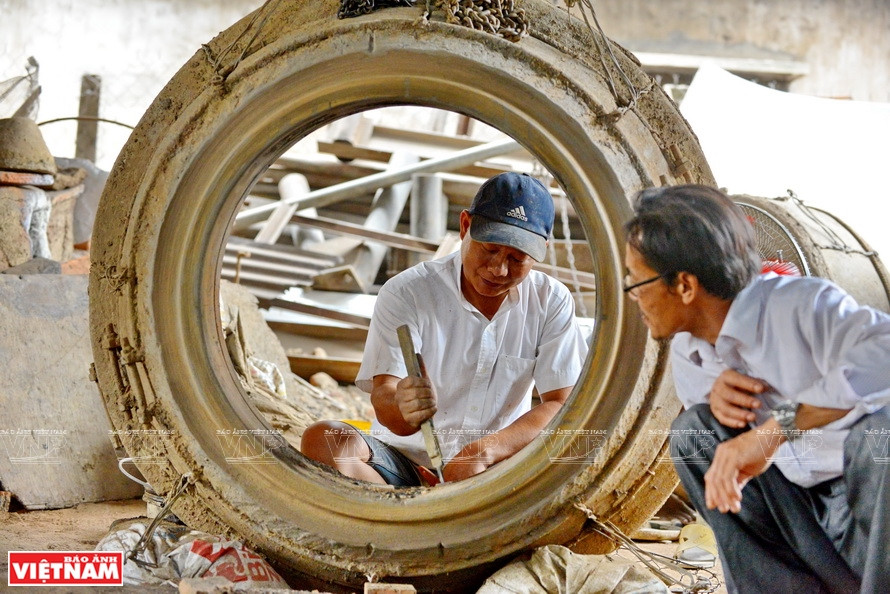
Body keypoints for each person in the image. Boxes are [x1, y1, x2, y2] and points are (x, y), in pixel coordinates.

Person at [623, 184, 890, 593]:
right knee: (695, 433)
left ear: (685, 286)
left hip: (870, 524)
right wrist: (717, 403)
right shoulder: (689, 351)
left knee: (878, 433)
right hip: (807, 526)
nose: (634, 297)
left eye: (636, 281)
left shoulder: (802, 306)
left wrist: (775, 429)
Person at [301, 172, 589, 486]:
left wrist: (481, 453)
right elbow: (384, 397)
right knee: (324, 439)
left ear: (540, 250)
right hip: (404, 466)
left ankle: (405, 523)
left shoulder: (551, 301)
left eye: (517, 258)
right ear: (466, 226)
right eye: (490, 249)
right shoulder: (407, 292)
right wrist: (403, 405)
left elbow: (562, 404)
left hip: (493, 471)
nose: (499, 269)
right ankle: (405, 513)